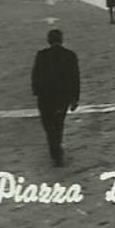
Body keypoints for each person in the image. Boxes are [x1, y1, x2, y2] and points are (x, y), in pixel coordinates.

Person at [30, 28, 81, 166]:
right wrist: (75, 98)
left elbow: (35, 75)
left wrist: (36, 91)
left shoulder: (41, 55)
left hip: (45, 97)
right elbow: (75, 78)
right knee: (58, 124)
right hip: (62, 97)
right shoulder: (70, 55)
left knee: (48, 125)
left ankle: (55, 150)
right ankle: (56, 148)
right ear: (61, 40)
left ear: (49, 40)